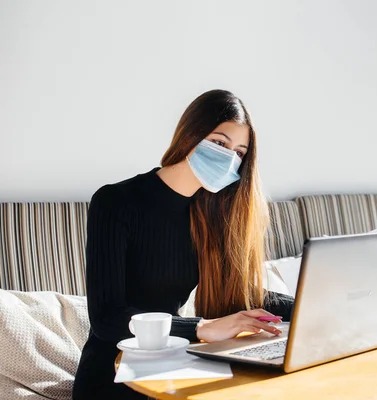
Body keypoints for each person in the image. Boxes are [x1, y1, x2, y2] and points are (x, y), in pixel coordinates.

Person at [73, 90, 294, 399]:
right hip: (112, 373)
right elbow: (107, 318)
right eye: (219, 143)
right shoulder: (115, 202)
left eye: (239, 152)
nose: (229, 158)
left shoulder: (211, 213)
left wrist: (313, 306)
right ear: (189, 135)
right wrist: (200, 328)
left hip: (172, 363)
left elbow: (240, 292)